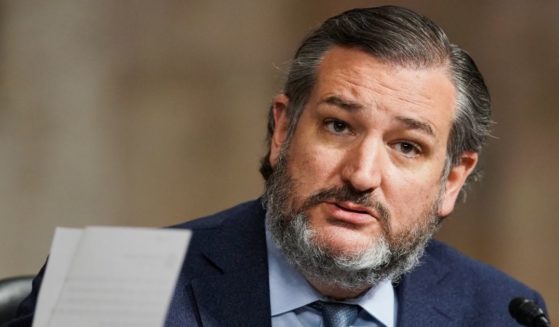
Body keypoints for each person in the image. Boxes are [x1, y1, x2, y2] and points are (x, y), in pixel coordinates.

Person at [5, 5, 548, 327]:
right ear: (284, 131)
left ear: (451, 179)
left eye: (407, 147)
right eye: (338, 126)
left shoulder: (499, 311)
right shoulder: (110, 286)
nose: (362, 175)